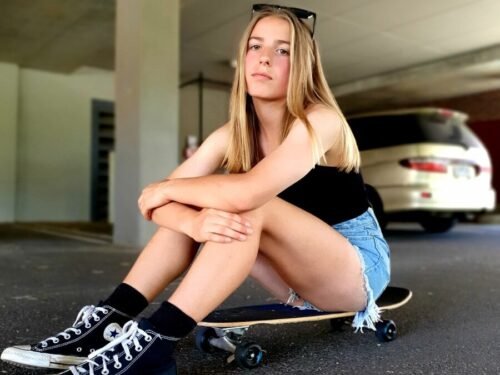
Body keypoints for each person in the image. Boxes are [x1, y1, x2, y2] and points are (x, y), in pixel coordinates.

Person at [1, 4, 390, 374]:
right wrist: (193, 222)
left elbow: (241, 194)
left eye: (282, 50)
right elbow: (153, 203)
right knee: (216, 211)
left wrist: (170, 191)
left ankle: (155, 344)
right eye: (255, 46)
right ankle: (108, 322)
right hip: (293, 278)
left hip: (355, 269)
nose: (264, 57)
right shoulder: (233, 135)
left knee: (245, 205)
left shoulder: (321, 121)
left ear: (303, 65)